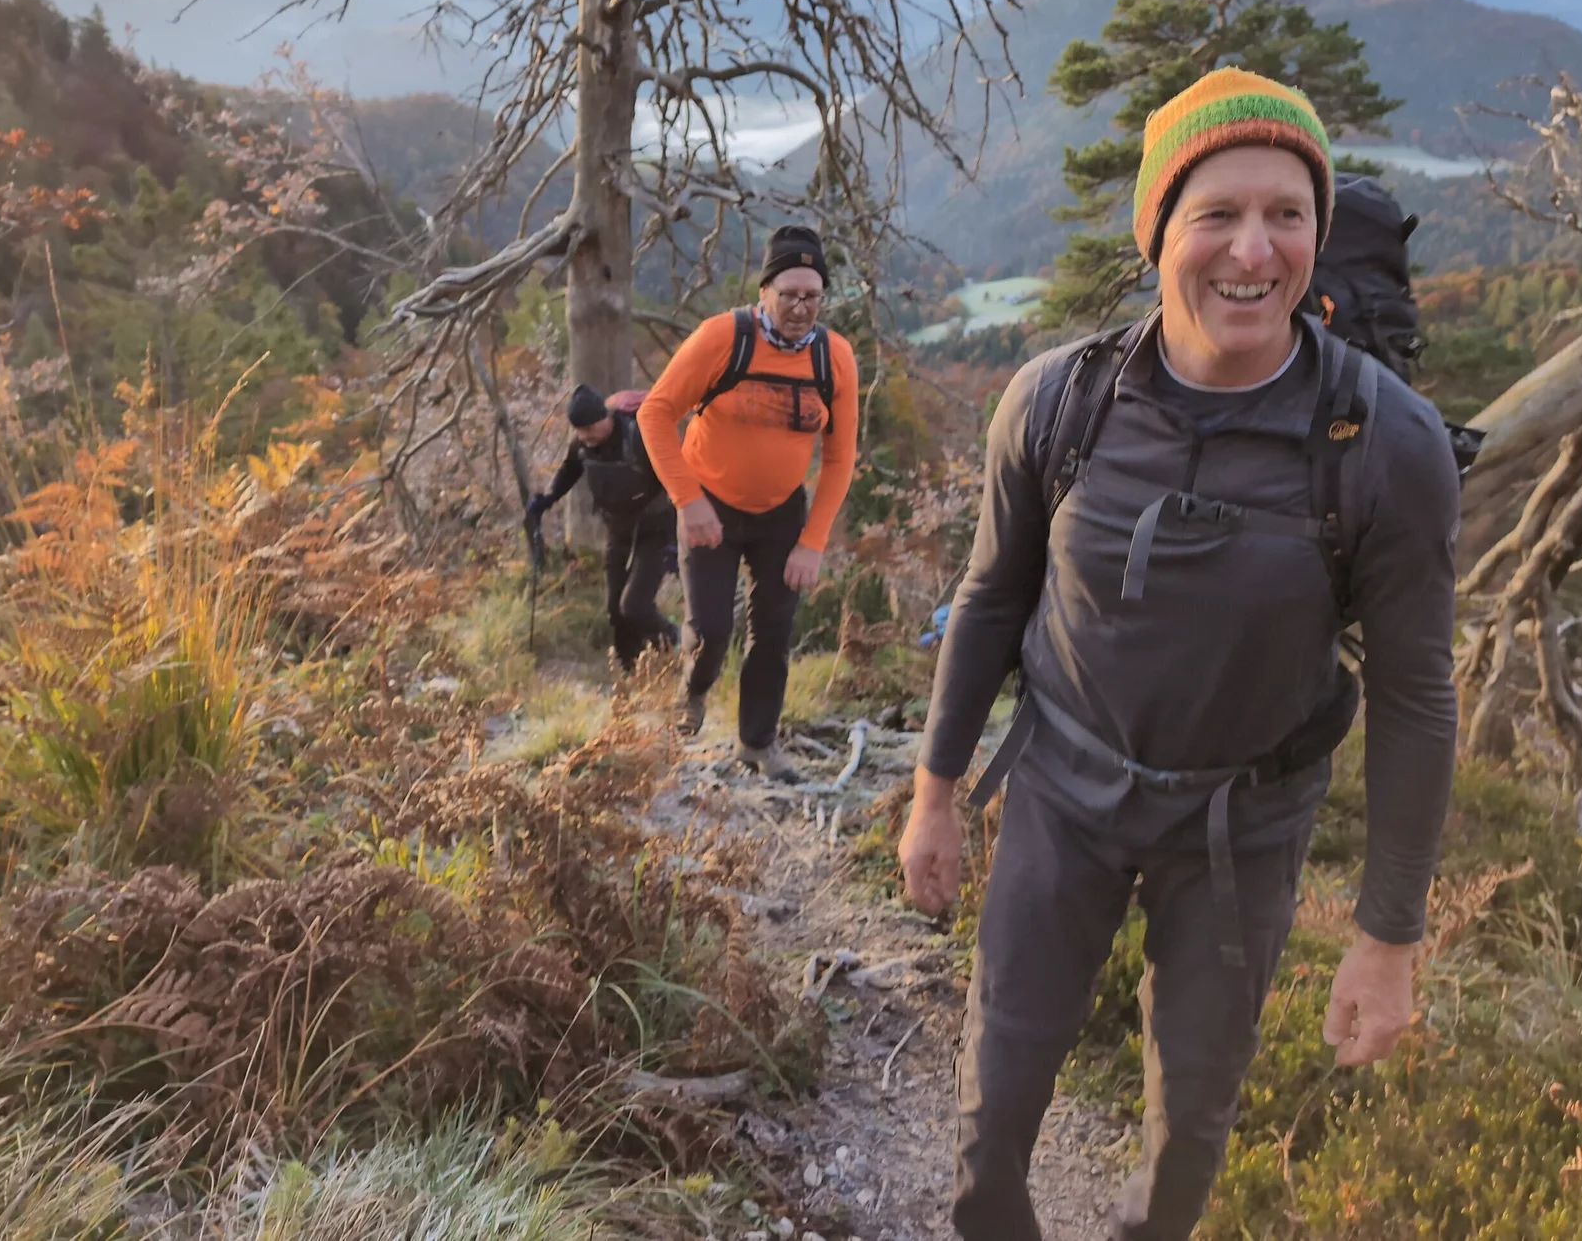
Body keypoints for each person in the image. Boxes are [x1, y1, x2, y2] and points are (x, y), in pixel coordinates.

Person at [897, 68, 1461, 1240]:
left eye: (1286, 214)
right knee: (998, 1079)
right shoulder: (1060, 401)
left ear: (1315, 232)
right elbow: (992, 595)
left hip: (1243, 822)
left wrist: (1389, 936)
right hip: (1063, 782)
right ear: (1159, 228)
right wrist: (936, 792)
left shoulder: (1383, 443)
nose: (1254, 250)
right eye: (1218, 213)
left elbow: (1416, 694)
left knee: (1194, 1107)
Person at [638, 225, 860, 782]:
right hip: (708, 502)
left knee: (773, 634)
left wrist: (812, 543)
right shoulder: (723, 338)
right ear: (764, 292)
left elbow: (838, 460)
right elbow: (655, 413)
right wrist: (687, 501)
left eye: (812, 295)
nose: (800, 307)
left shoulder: (834, 359)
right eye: (788, 294)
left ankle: (757, 745)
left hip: (781, 513)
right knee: (711, 629)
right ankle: (691, 691)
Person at [525, 383, 678, 673]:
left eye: (591, 427)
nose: (586, 436)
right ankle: (628, 674)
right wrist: (548, 498)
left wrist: (676, 541)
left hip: (655, 531)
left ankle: (675, 644)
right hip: (617, 531)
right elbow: (569, 471)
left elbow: (675, 483)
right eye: (580, 431)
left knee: (634, 606)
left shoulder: (637, 437)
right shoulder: (583, 445)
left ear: (606, 416)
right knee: (614, 611)